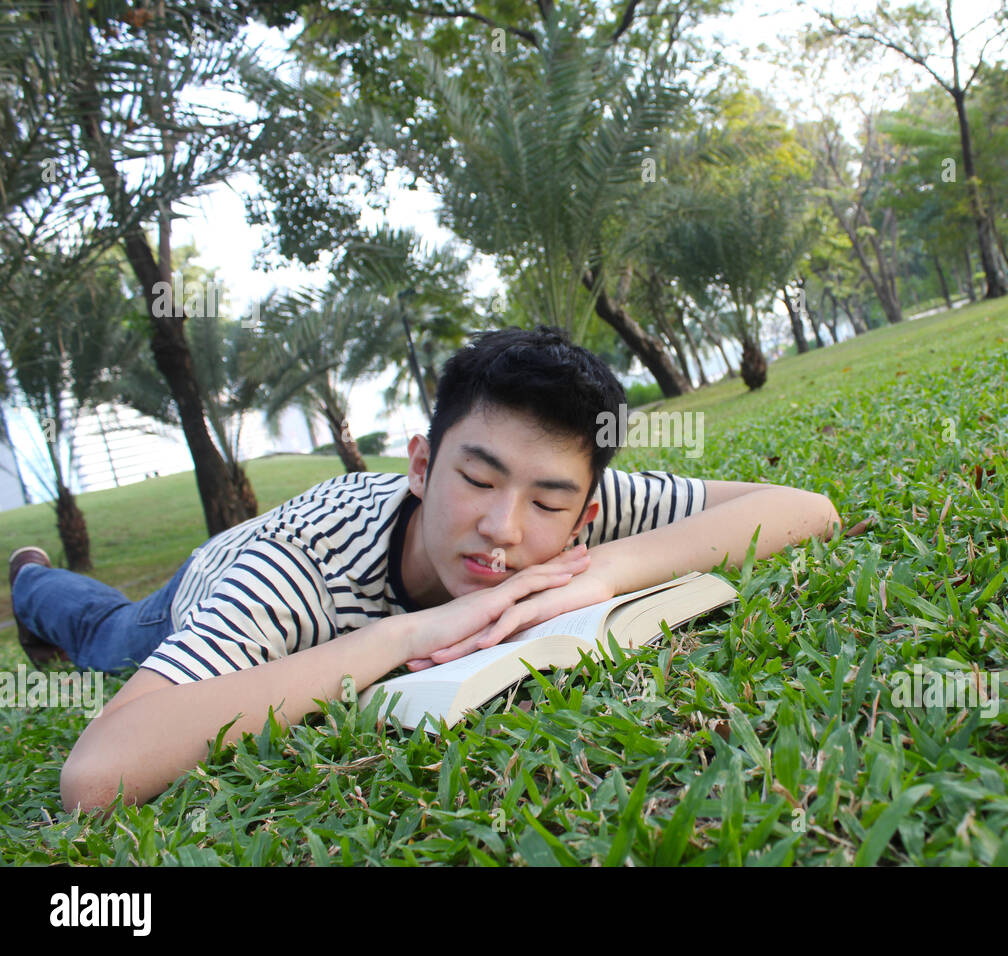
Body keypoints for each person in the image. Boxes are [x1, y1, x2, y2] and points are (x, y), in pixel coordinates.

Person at [10, 326, 841, 811]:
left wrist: (600, 575)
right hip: (198, 590)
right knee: (103, 631)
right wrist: (408, 631)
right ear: (420, 464)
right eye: (475, 481)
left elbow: (806, 508)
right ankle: (30, 581)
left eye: (549, 504)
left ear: (586, 508)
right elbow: (95, 773)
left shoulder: (567, 510)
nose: (503, 528)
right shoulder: (297, 567)